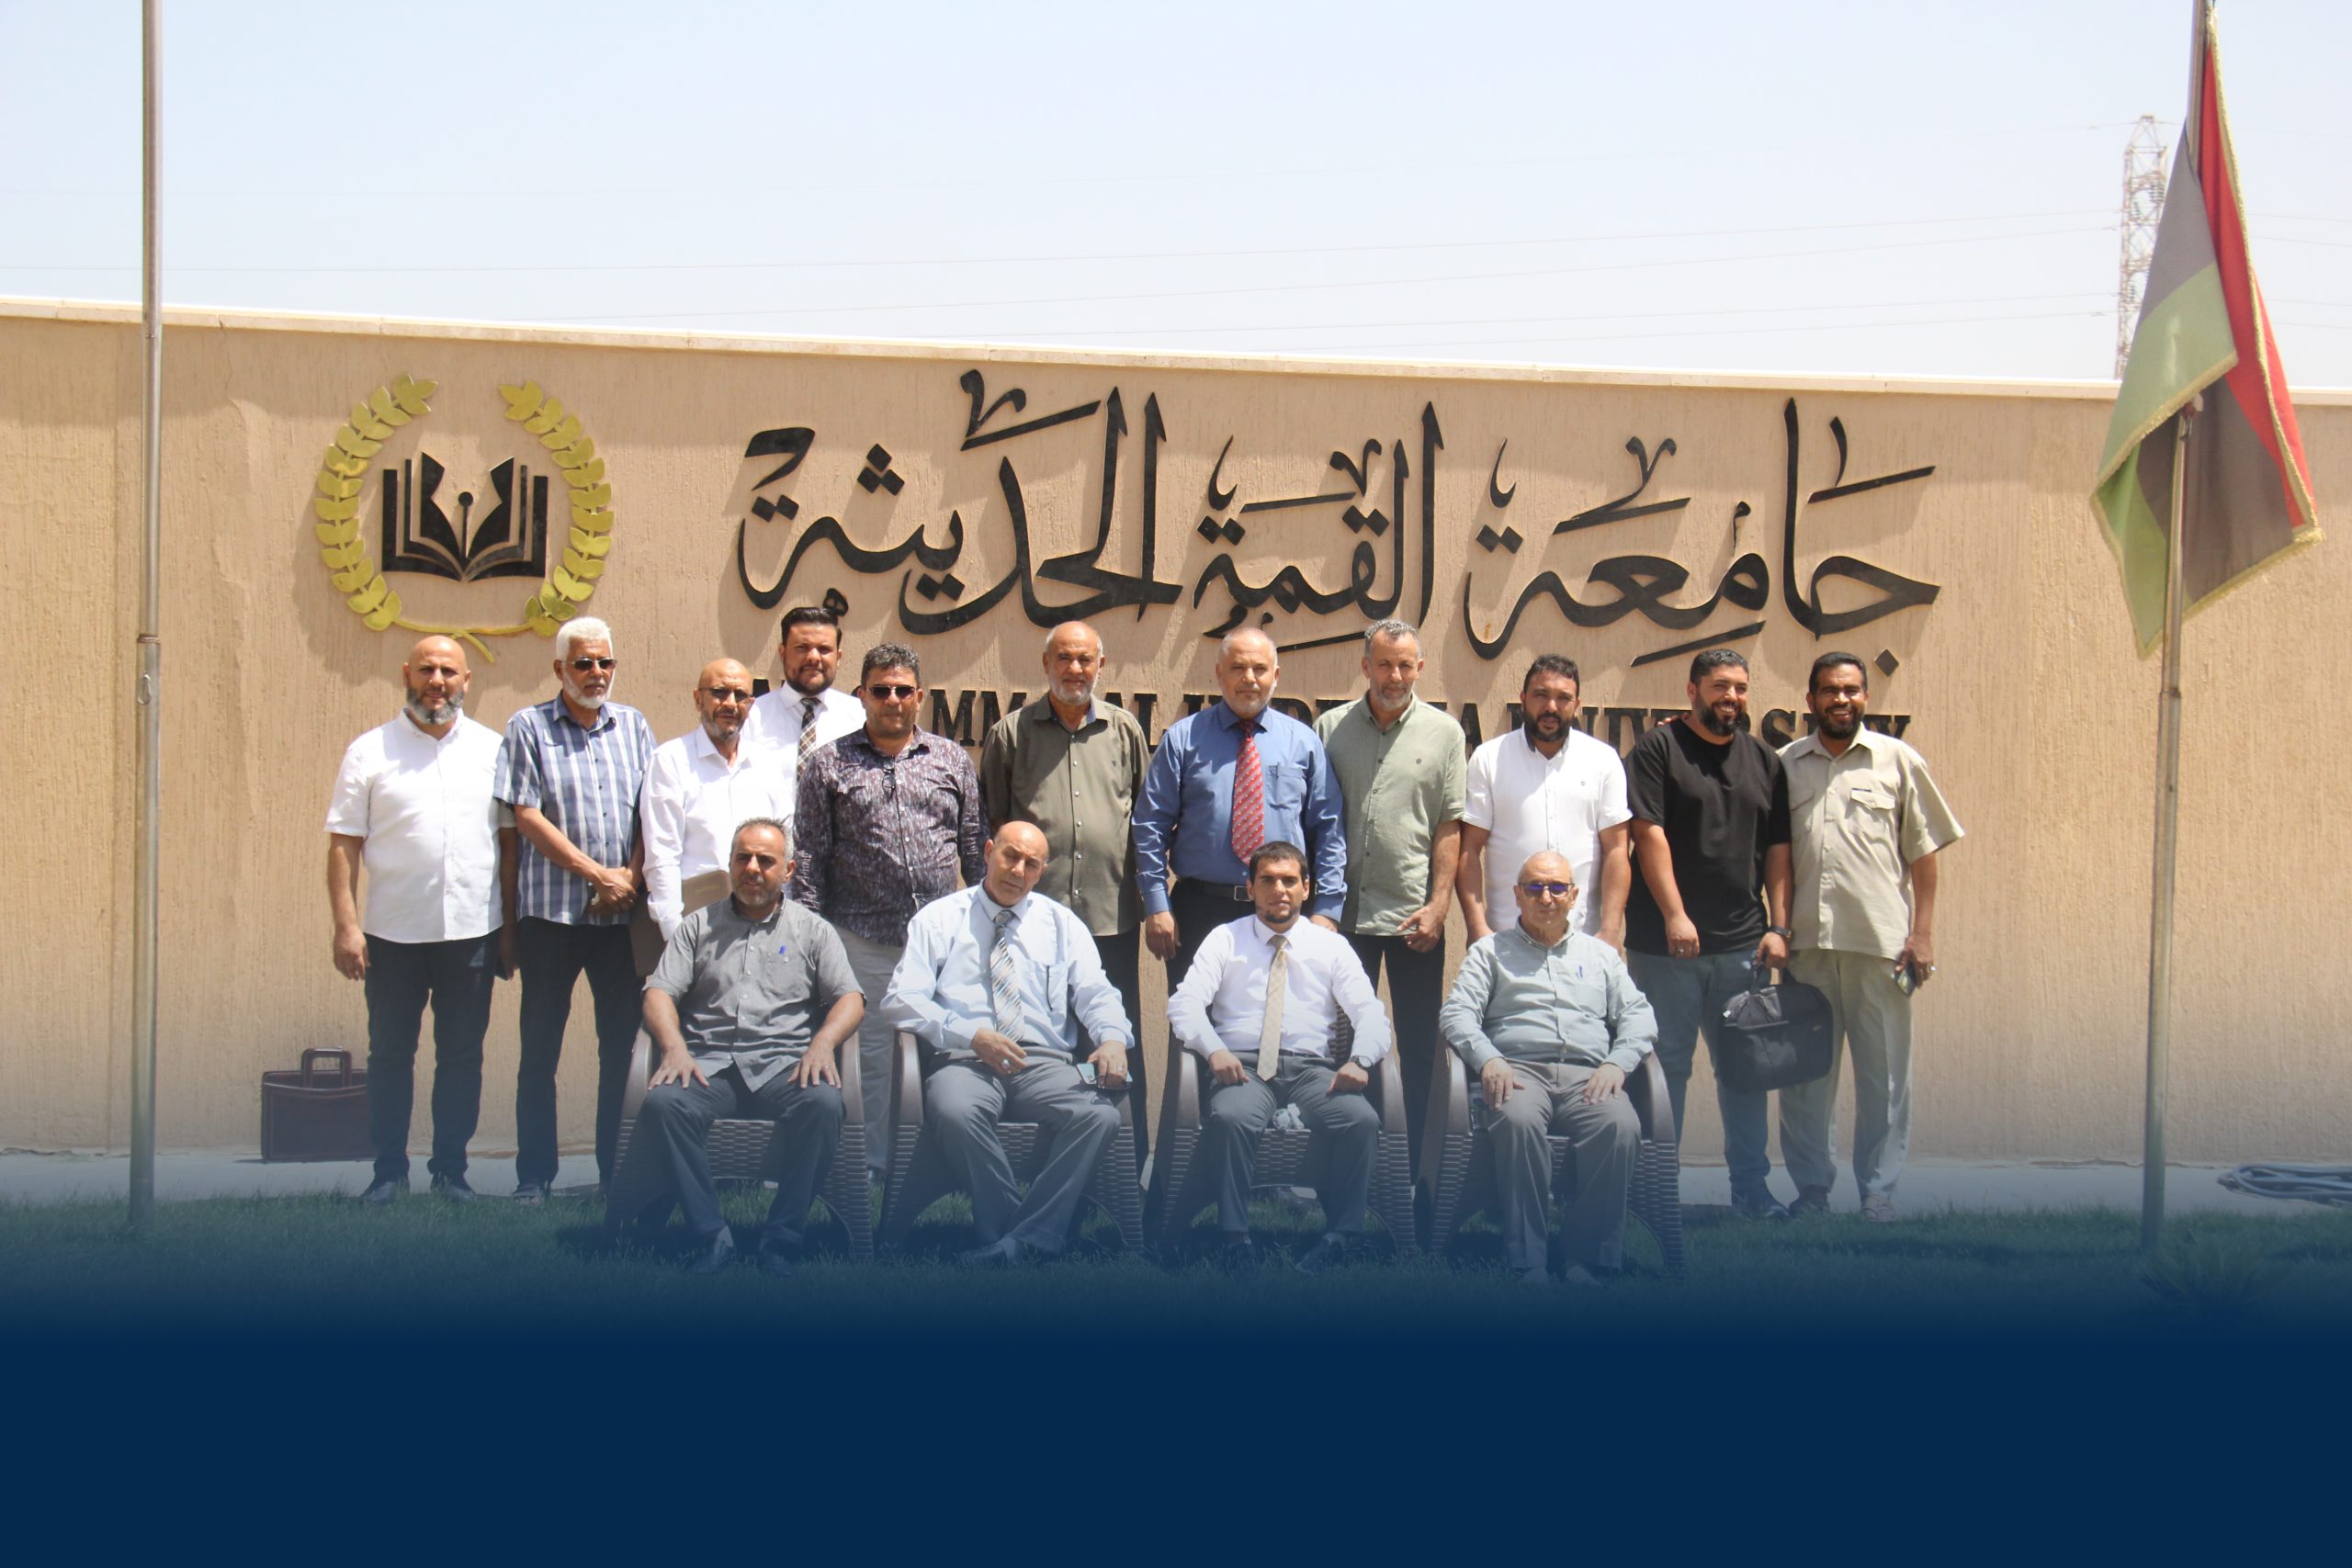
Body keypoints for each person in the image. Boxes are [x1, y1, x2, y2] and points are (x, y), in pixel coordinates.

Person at [882, 822, 1133, 1266]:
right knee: (956, 1110)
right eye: (1010, 856)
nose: (1018, 870)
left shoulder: (1062, 924)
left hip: (1044, 1062)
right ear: (988, 852)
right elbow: (901, 1000)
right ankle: (1019, 1236)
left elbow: (1096, 992)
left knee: (1098, 1115)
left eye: (1031, 864)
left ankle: (1015, 1242)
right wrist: (970, 1035)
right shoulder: (939, 919)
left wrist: (1113, 1036)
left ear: (1042, 871)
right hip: (965, 1058)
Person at [624, 818, 865, 1275]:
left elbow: (850, 998)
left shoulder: (813, 931)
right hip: (708, 1067)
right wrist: (674, 1047)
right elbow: (658, 993)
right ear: (731, 864)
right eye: (743, 858)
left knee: (824, 1103)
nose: (752, 868)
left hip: (784, 1067)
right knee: (663, 1103)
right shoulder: (698, 927)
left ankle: (782, 1240)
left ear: (788, 870)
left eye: (765, 860)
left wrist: (822, 1043)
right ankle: (711, 1235)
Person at [324, 635, 515, 1205]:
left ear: (466, 681)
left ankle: (451, 1173)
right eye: (427, 670)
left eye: (449, 671)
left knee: (461, 1057)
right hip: (392, 935)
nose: (437, 681)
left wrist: (511, 927)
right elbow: (344, 844)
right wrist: (346, 926)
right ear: (406, 674)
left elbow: (510, 845)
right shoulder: (370, 752)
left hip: (473, 933)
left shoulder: (493, 750)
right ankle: (388, 1173)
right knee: (389, 1056)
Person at [1776, 653, 1964, 1221]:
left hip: (1881, 945)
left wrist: (1922, 935)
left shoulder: (1898, 761)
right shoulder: (1785, 765)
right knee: (1805, 1079)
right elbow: (1774, 856)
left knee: (1884, 1076)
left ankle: (1878, 1192)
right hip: (1806, 947)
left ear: (1865, 697)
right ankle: (1812, 1191)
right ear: (1810, 700)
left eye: (1852, 690)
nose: (1841, 699)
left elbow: (1924, 855)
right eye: (1830, 690)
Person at [794, 641, 986, 1177]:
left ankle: (943, 1167)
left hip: (944, 944)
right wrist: (810, 942)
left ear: (920, 697)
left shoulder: (951, 759)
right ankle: (873, 1167)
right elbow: (809, 858)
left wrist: (988, 929)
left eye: (903, 690)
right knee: (872, 1060)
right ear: (862, 696)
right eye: (881, 690)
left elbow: (974, 849)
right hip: (863, 940)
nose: (893, 700)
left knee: (950, 1051)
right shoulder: (828, 764)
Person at [1167, 840, 1392, 1275]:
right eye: (1267, 880)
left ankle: (1341, 1237)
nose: (1279, 890)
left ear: (1307, 888)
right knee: (1230, 1118)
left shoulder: (1330, 947)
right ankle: (1235, 1238)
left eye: (1290, 880)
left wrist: (1360, 1060)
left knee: (1361, 1120)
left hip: (1313, 1071)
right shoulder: (1225, 939)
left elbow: (1369, 1011)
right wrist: (1214, 1050)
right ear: (1251, 887)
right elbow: (1185, 1004)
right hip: (1243, 1068)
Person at [1623, 649, 1794, 1218]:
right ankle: (1657, 1190)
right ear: (1692, 690)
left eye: (1741, 688)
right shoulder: (1658, 749)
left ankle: (1751, 1189)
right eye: (1721, 686)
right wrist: (1675, 914)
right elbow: (1647, 833)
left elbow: (1778, 850)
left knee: (1745, 1071)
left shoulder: (1764, 760)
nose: (1732, 698)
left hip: (1743, 945)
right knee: (1665, 1067)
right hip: (1665, 946)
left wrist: (1778, 925)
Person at [494, 615, 658, 1203]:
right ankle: (534, 1176)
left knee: (622, 1050)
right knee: (540, 1051)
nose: (596, 673)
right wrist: (597, 874)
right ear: (559, 668)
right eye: (583, 663)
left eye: (604, 662)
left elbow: (651, 812)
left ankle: (616, 1172)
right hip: (552, 918)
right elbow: (526, 816)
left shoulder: (634, 726)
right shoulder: (528, 727)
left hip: (620, 920)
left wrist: (629, 876)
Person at [978, 621, 1153, 1160]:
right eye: (1064, 658)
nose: (1075, 669)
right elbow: (996, 821)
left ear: (1101, 665)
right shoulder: (1011, 734)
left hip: (1109, 914)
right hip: (1033, 920)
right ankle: (1045, 1158)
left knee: (1115, 1032)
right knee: (1046, 1038)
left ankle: (1125, 1161)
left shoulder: (1125, 731)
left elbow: (1143, 820)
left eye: (1085, 659)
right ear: (1046, 663)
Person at [1439, 852, 1657, 1285]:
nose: (1546, 897)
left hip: (1589, 1077)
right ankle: (1529, 1261)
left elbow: (1639, 1016)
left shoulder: (1601, 956)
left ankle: (1585, 1260)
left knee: (1620, 1126)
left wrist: (1617, 1063)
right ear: (1517, 895)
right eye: (1535, 887)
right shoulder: (1489, 953)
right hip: (1518, 1073)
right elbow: (1457, 1013)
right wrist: (1489, 1059)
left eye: (1557, 888)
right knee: (1517, 1121)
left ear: (1573, 896)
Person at [1313, 619, 1464, 1167]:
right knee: (1341, 1043)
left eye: (1404, 665)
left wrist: (1439, 905)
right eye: (1384, 664)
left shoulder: (1446, 734)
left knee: (1419, 1044)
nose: (1394, 676)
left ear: (1419, 668)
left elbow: (1450, 825)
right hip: (1343, 917)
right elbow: (1315, 820)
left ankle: (1415, 1167)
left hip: (1412, 918)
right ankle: (1350, 1161)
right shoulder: (1330, 727)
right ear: (1366, 667)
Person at [1133, 626, 1347, 989]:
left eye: (1259, 669)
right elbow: (1150, 827)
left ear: (1275, 675)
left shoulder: (1303, 743)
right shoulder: (1183, 740)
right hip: (1200, 909)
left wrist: (1327, 909)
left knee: (1279, 1014)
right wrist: (1156, 903)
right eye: (1238, 668)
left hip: (1281, 908)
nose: (1249, 678)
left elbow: (1329, 830)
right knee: (1195, 1015)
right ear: (1219, 674)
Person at [1459, 654, 1632, 952]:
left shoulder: (1603, 760)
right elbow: (1469, 849)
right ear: (1523, 699)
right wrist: (1476, 926)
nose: (1551, 706)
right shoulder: (1489, 759)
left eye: (1563, 698)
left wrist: (1611, 929)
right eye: (1541, 695)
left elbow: (1617, 850)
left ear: (1577, 705)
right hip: (1505, 940)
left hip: (1583, 940)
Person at [639, 658, 791, 945]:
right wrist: (676, 935)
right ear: (698, 699)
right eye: (720, 692)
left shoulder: (766, 764)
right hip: (698, 923)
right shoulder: (671, 761)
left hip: (762, 922)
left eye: (741, 695)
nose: (730, 704)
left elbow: (786, 843)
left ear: (751, 704)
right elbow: (662, 857)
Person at [741, 604, 866, 800]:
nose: (813, 657)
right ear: (782, 653)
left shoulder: (861, 717)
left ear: (838, 657)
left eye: (824, 649)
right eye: (802, 648)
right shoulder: (752, 717)